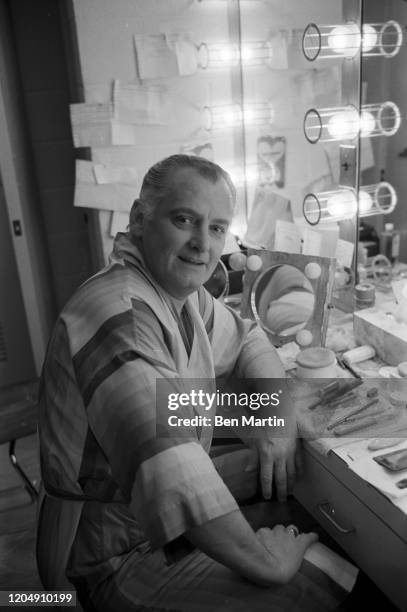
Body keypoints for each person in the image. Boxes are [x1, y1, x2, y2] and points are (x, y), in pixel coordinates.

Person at [37, 155, 349, 611]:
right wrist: (266, 562)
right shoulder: (121, 318)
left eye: (218, 228)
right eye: (185, 219)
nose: (203, 244)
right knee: (307, 585)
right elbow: (171, 471)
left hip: (140, 518)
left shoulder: (175, 295)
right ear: (140, 220)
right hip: (109, 554)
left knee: (299, 499)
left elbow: (247, 339)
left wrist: (278, 416)